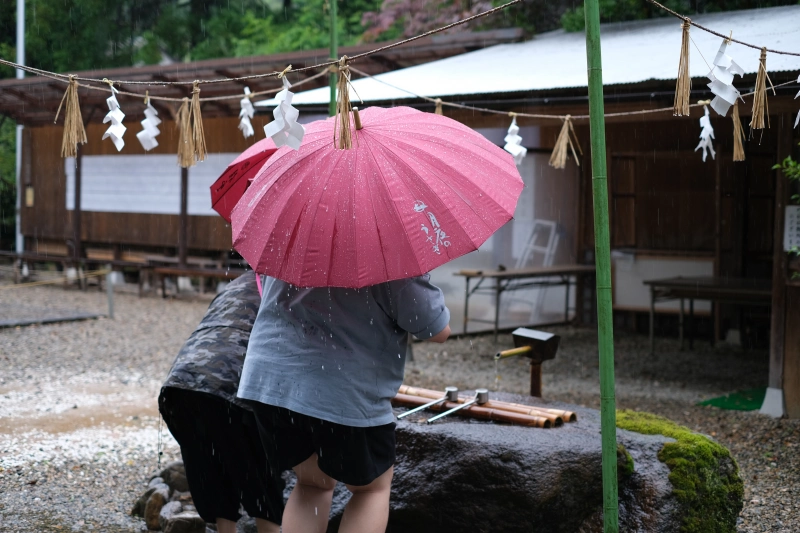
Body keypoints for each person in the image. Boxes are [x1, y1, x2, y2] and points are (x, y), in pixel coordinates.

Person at [238, 274, 451, 533]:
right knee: (372, 489)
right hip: (342, 391)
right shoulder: (390, 259)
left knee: (312, 484)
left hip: (272, 383)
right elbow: (436, 330)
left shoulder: (294, 239)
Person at [159, 274, 285, 533]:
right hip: (233, 387)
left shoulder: (239, 282)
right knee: (263, 488)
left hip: (182, 385)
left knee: (214, 477)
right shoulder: (287, 289)